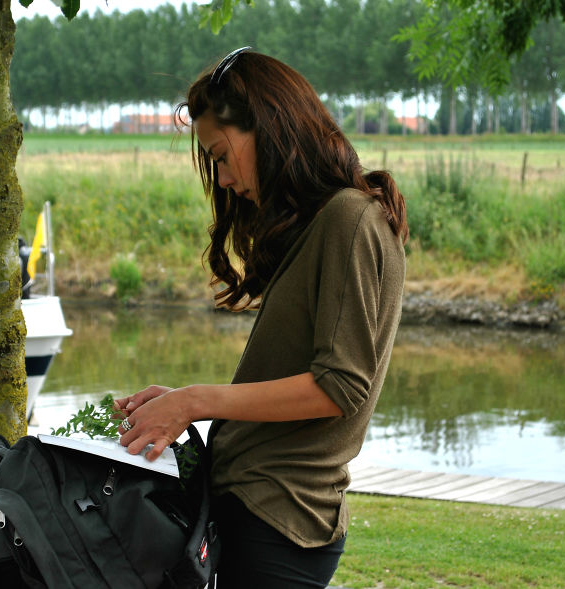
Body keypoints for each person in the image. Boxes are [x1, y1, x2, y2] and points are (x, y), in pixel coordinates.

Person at [114, 47, 408, 589]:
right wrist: (181, 402)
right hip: (257, 509)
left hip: (280, 519)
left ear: (270, 130)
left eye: (222, 156)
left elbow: (339, 388)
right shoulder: (327, 221)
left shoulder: (350, 219)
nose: (221, 179)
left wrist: (196, 401)